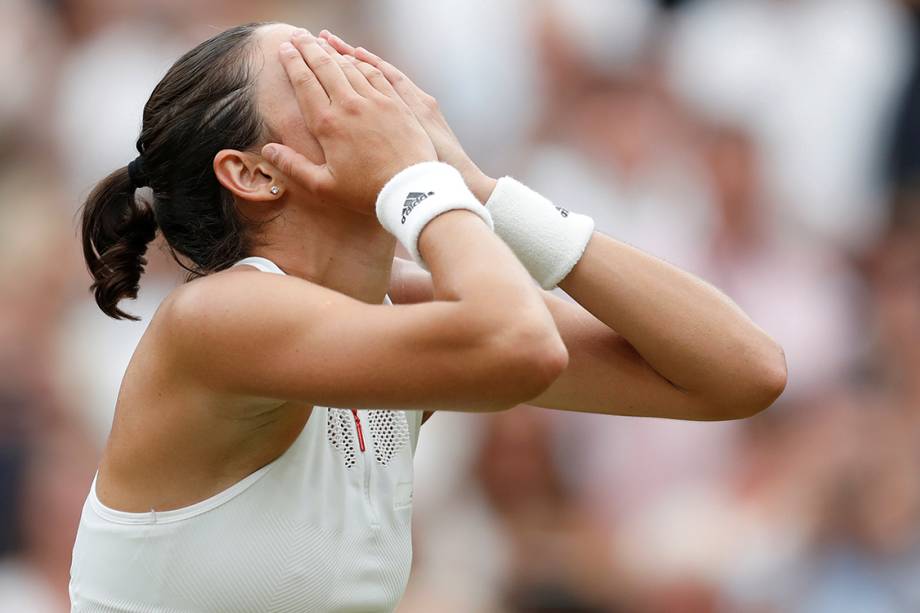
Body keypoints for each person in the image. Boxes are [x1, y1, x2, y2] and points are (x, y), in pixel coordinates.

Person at [68, 22, 786, 613]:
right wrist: (421, 182)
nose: (373, 91)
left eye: (355, 61)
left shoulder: (400, 306)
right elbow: (521, 343)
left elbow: (741, 372)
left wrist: (479, 187)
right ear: (254, 172)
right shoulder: (219, 317)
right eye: (321, 78)